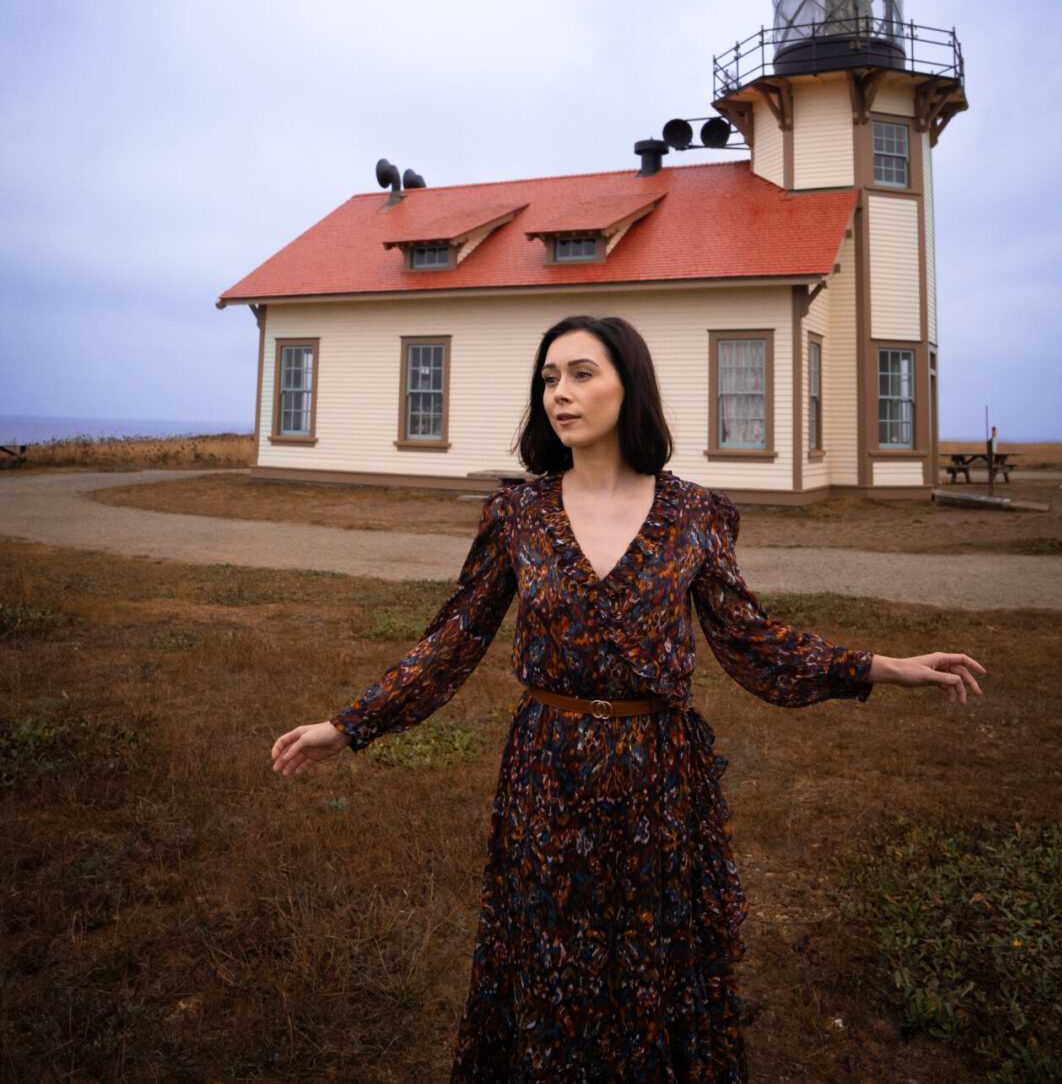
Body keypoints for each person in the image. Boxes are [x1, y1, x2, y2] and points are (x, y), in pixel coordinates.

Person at [271, 314, 984, 1083]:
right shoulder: (518, 516)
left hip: (659, 781)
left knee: (653, 967)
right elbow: (452, 642)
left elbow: (751, 640)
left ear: (628, 385)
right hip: (548, 776)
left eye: (581, 373)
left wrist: (882, 666)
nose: (560, 394)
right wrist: (348, 726)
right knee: (550, 964)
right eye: (549, 378)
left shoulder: (695, 516)